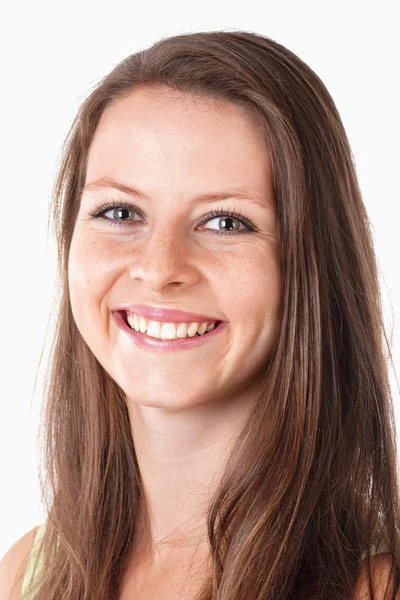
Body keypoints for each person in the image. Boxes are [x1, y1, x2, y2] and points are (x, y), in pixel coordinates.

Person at [1, 30, 399, 600]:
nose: (160, 268)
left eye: (226, 222)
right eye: (119, 211)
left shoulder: (377, 588)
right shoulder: (26, 574)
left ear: (309, 267)